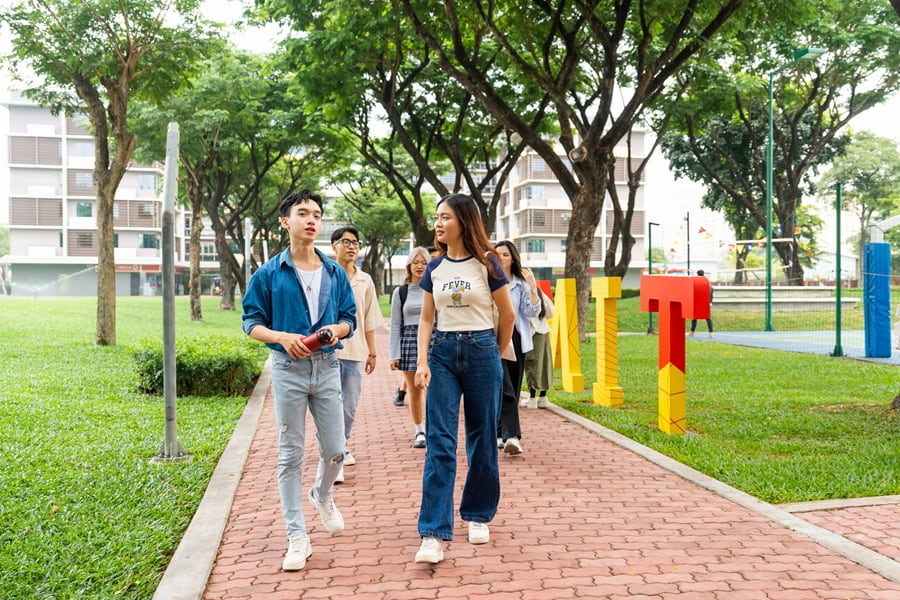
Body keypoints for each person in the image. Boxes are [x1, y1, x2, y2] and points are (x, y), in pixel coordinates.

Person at [241, 189, 357, 572]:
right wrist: (282, 337)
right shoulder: (269, 273)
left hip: (327, 368)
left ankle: (321, 494)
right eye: (303, 213)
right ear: (285, 221)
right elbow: (251, 324)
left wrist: (335, 330)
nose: (312, 220)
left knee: (336, 449)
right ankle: (296, 536)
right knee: (289, 454)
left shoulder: (334, 271)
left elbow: (349, 319)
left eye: (317, 214)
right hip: (288, 371)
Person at [413, 193, 514, 564]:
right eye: (437, 217)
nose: (439, 224)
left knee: (482, 437)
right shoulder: (435, 267)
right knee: (439, 441)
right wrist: (422, 360)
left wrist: (496, 351)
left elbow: (508, 314)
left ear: (464, 221)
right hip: (441, 354)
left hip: (482, 349)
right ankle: (433, 533)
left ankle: (477, 513)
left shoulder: (487, 263)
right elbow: (426, 318)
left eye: (446, 217)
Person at [332, 226, 383, 483]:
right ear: (334, 247)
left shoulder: (365, 280)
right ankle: (335, 454)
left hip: (354, 352)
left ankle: (340, 444)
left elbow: (368, 318)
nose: (351, 246)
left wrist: (372, 352)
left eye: (355, 242)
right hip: (327, 353)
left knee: (349, 407)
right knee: (330, 405)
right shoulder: (325, 276)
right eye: (345, 242)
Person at [494, 240, 541, 455]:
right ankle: (511, 435)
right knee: (504, 387)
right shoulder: (489, 280)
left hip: (517, 337)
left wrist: (532, 287)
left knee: (512, 384)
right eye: (497, 255)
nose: (501, 258)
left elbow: (531, 312)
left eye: (505, 254)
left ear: (512, 257)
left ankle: (500, 432)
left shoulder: (520, 284)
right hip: (494, 336)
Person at [389, 247, 432, 448]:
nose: (420, 266)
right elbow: (395, 324)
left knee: (437, 390)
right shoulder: (401, 291)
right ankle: (420, 431)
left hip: (434, 340)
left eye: (424, 262)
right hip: (408, 342)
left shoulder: (434, 288)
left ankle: (436, 429)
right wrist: (394, 354)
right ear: (409, 265)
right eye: (416, 262)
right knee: (415, 390)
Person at [523, 287, 554, 409]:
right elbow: (551, 312)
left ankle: (532, 399)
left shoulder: (524, 292)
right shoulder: (540, 293)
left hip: (531, 334)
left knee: (532, 365)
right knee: (545, 364)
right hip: (544, 333)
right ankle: (543, 397)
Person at [689, 269, 714, 338]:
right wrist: (710, 302)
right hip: (706, 302)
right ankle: (711, 333)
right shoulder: (707, 281)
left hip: (698, 301)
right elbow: (711, 291)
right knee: (708, 318)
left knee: (694, 317)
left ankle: (692, 332)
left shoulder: (697, 282)